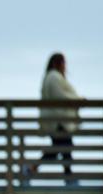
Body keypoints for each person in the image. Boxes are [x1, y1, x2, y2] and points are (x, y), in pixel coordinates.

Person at [25, 52, 82, 185]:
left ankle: (32, 169)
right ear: (57, 63)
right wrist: (78, 100)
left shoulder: (49, 77)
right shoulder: (54, 77)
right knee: (64, 147)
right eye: (63, 63)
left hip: (55, 120)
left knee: (59, 148)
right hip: (59, 121)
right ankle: (67, 176)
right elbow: (60, 97)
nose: (65, 66)